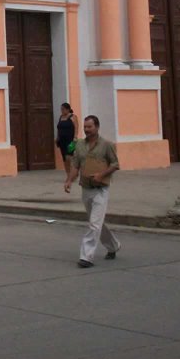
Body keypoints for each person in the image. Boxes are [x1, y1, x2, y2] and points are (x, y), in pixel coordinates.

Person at [64, 115, 120, 268]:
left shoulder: (107, 145)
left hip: (101, 189)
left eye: (90, 127)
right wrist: (69, 180)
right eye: (85, 127)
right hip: (86, 189)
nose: (87, 130)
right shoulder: (80, 145)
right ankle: (113, 246)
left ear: (97, 127)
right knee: (96, 222)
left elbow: (115, 164)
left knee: (94, 224)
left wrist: (101, 175)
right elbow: (75, 165)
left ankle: (86, 257)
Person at [56, 102, 80, 185]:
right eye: (61, 109)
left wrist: (75, 137)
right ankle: (68, 175)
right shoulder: (61, 117)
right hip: (62, 141)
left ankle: (74, 174)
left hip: (71, 141)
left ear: (68, 109)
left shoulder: (73, 117)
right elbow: (58, 129)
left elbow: (76, 127)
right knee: (65, 159)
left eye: (63, 109)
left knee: (70, 157)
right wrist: (57, 138)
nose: (62, 111)